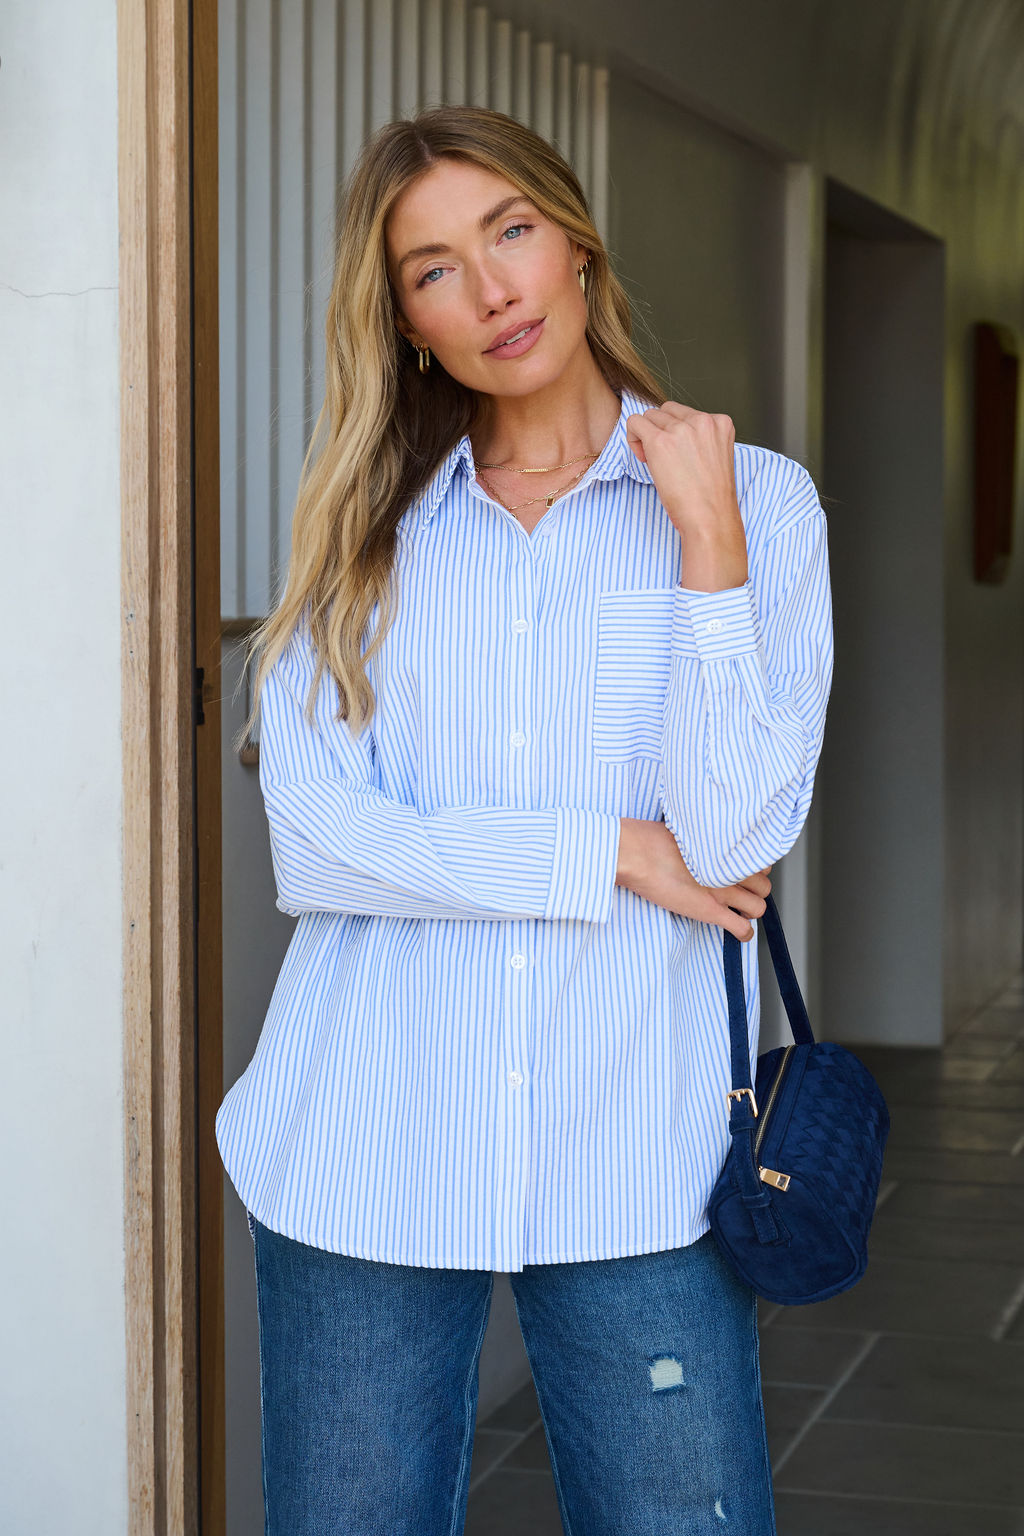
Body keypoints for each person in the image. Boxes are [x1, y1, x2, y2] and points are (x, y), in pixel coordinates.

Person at [216, 103, 833, 1536]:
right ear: (408, 323)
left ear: (574, 244)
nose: (490, 290)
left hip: (640, 1161)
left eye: (510, 233)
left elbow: (737, 844)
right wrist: (607, 850)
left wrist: (709, 553)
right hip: (362, 1151)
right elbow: (317, 848)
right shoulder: (365, 536)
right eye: (434, 269)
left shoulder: (755, 504)